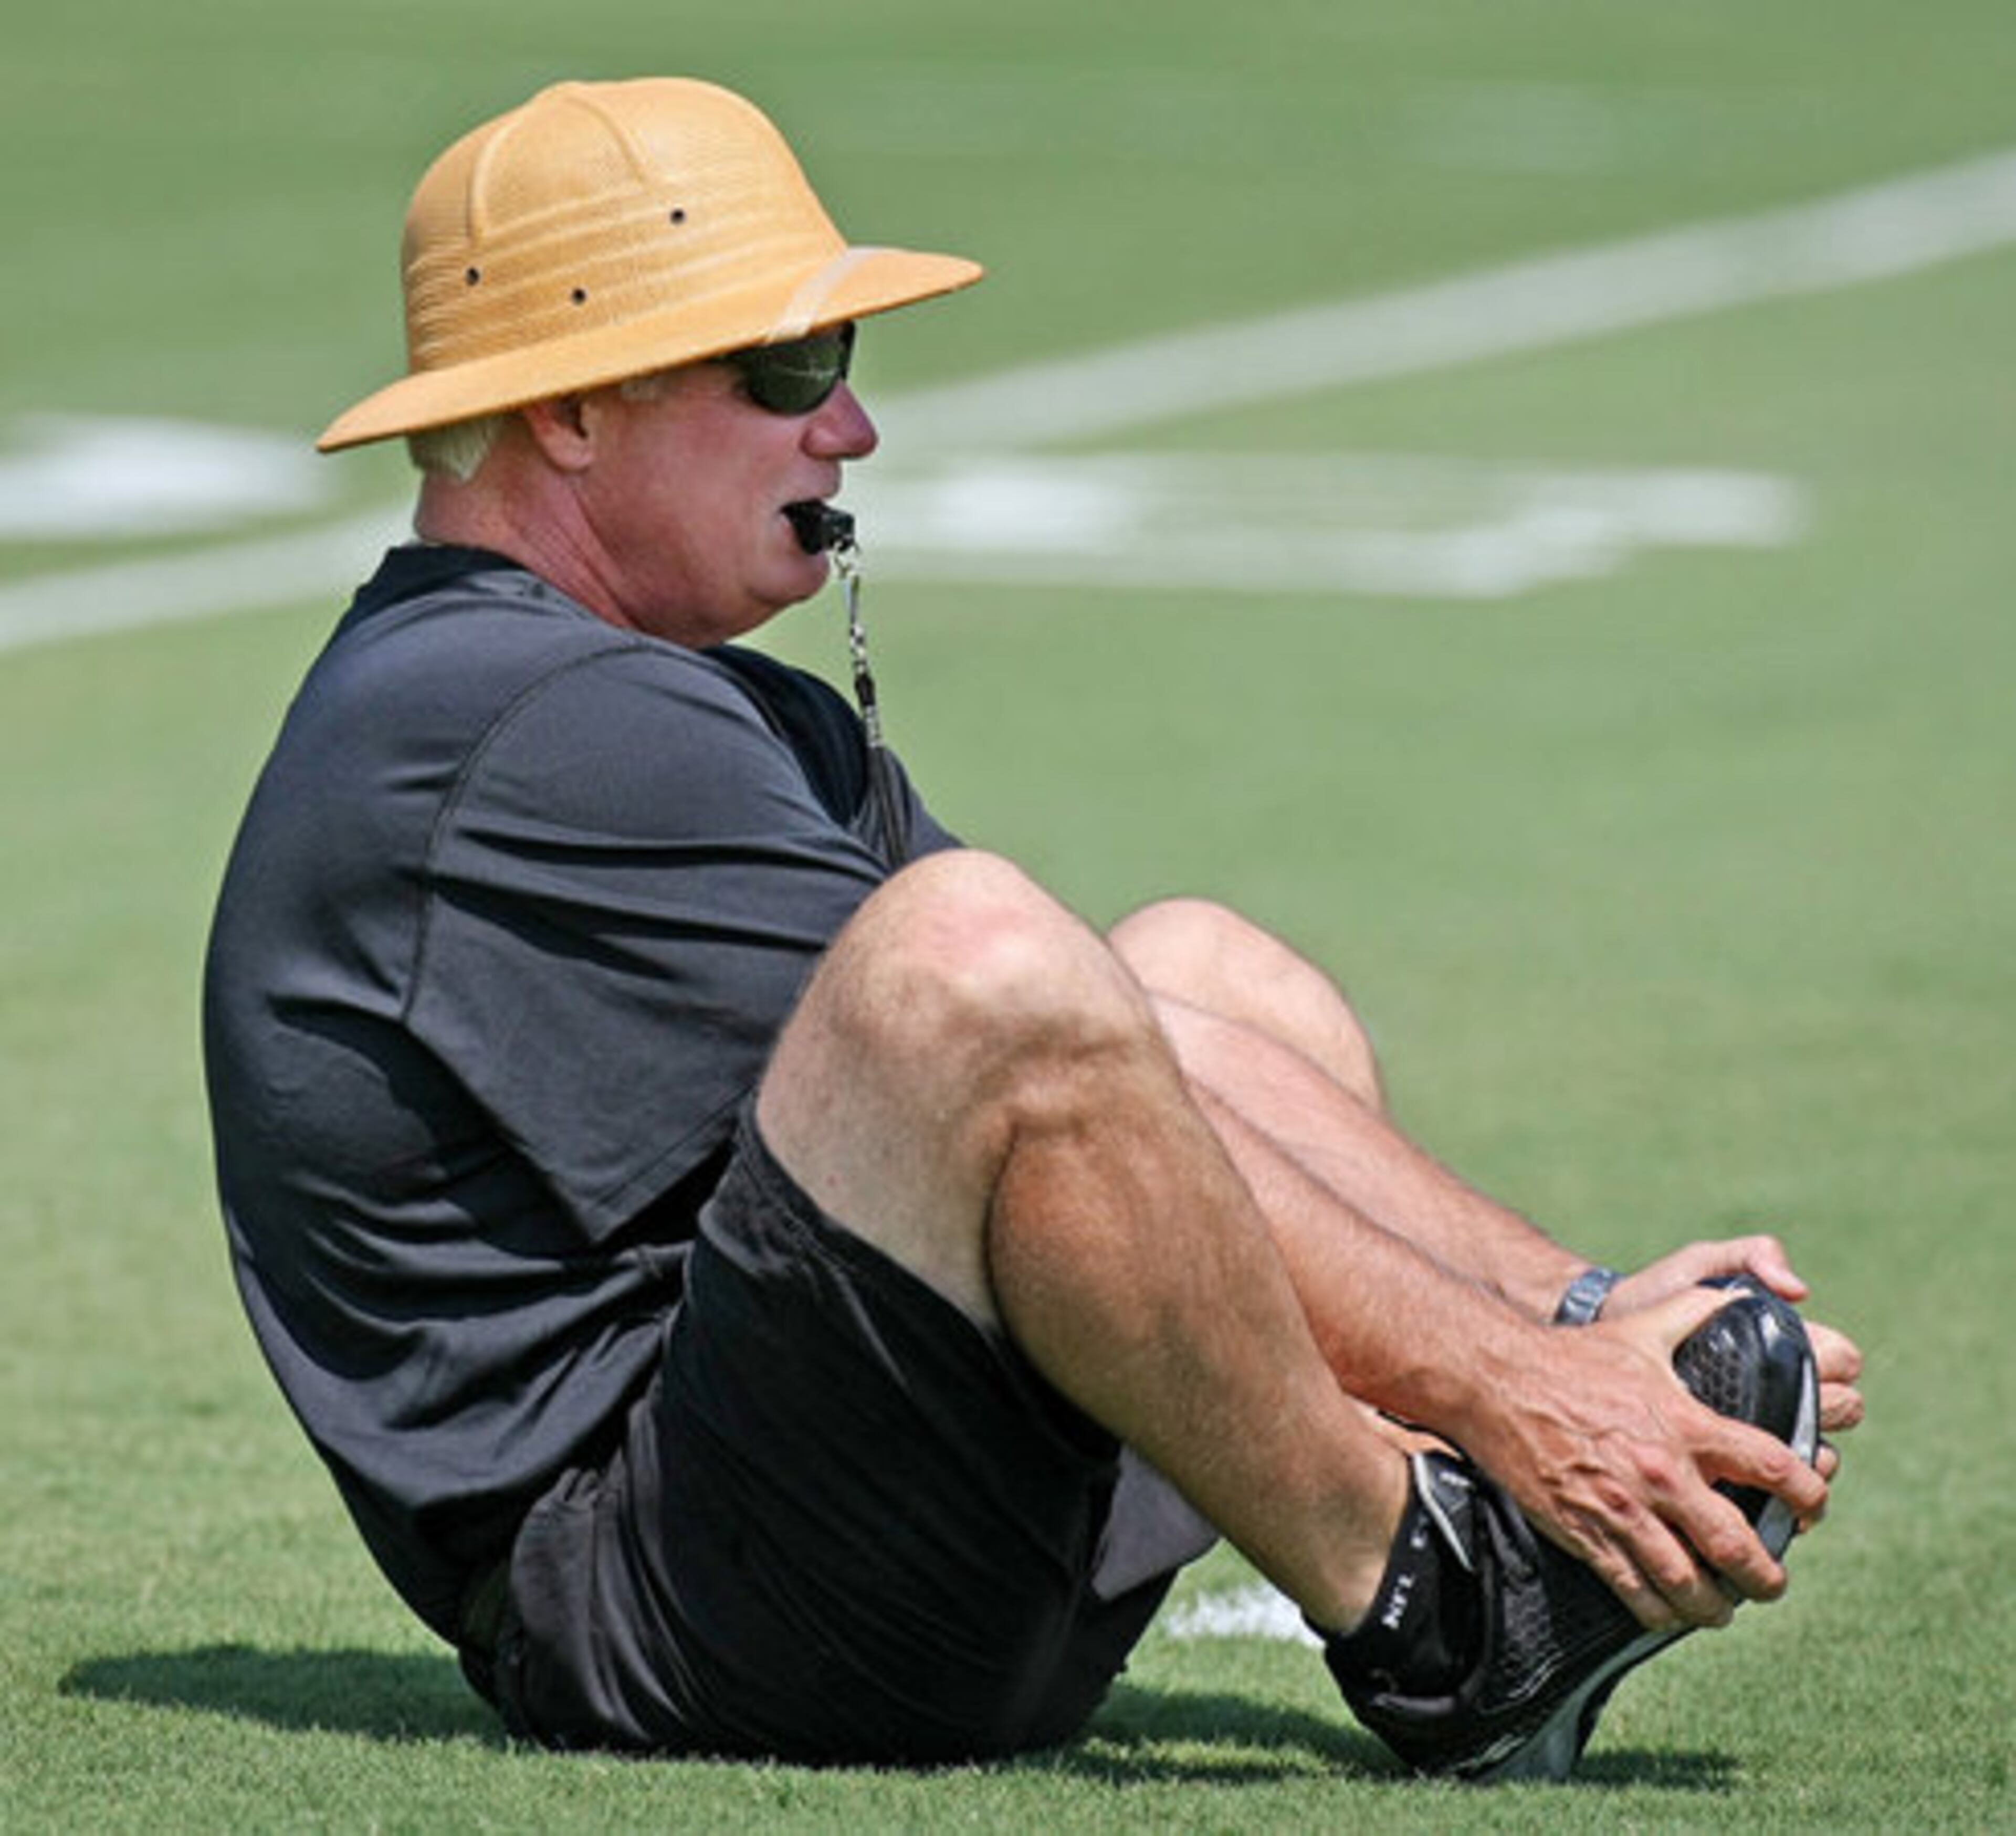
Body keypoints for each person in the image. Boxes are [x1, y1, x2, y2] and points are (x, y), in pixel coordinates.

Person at [202, 76, 1863, 1778]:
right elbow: (1003, 1029)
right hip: (674, 1621)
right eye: (787, 373)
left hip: (829, 1517)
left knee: (1197, 971)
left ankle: (1471, 1495)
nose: (848, 430)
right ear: (567, 414)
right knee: (978, 957)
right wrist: (1527, 1385)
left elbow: (1124, 1074)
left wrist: (1569, 1306)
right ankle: (1443, 1606)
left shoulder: (657, 695)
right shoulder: (519, 724)